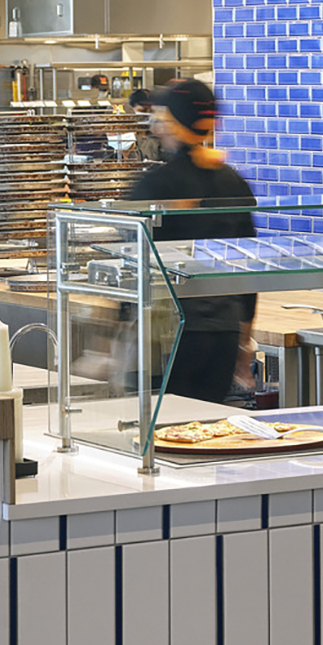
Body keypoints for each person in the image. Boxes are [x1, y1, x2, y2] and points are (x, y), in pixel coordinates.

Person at [122, 78, 257, 406]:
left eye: (161, 118)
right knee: (205, 430)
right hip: (223, 335)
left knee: (162, 436)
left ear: (176, 124)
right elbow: (247, 269)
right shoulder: (233, 182)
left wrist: (115, 340)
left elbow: (131, 267)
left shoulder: (155, 187)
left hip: (166, 338)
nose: (156, 128)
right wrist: (243, 340)